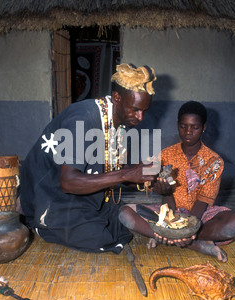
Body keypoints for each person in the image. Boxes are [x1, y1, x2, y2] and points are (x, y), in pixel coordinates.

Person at [19, 64, 158, 254]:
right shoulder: (84, 120)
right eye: (135, 109)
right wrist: (127, 174)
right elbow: (68, 182)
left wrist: (149, 179)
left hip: (81, 195)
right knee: (100, 237)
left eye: (144, 110)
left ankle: (160, 232)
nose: (140, 117)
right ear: (117, 98)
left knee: (114, 219)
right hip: (50, 196)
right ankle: (38, 224)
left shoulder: (118, 123)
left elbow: (112, 169)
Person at [118, 101, 235, 262]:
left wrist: (187, 229)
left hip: (200, 215)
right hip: (168, 211)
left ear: (204, 127)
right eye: (183, 126)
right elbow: (140, 179)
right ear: (177, 125)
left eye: (195, 127)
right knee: (125, 213)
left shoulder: (214, 161)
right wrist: (127, 175)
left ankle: (164, 236)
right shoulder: (165, 155)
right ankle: (196, 244)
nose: (188, 132)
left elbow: (203, 201)